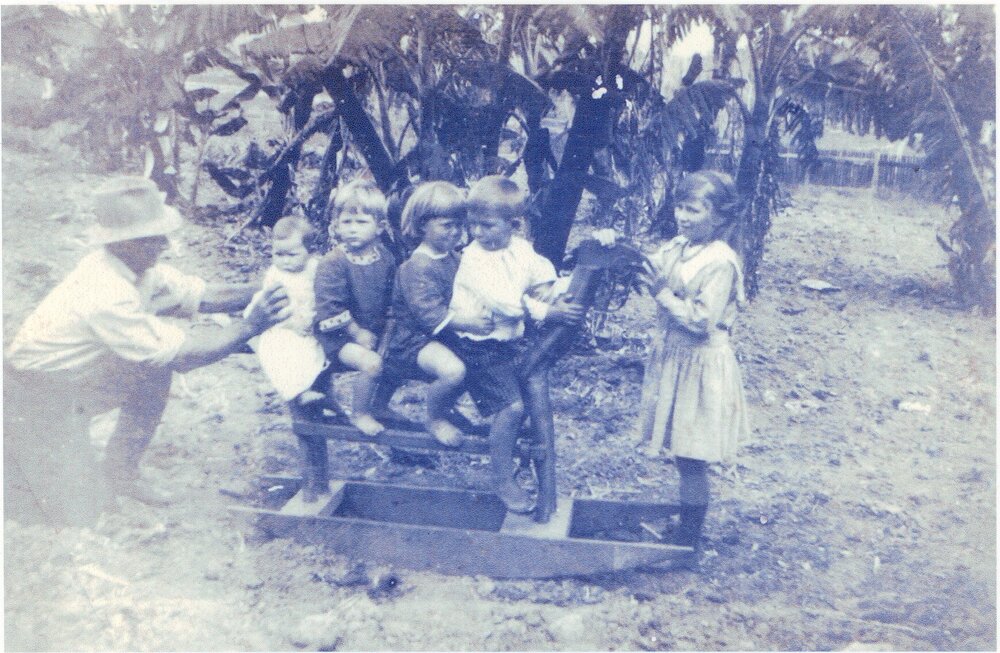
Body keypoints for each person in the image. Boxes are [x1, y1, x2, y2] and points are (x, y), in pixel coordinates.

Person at [4, 176, 290, 524]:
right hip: (33, 395)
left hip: (75, 379)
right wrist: (251, 324)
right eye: (154, 238)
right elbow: (186, 355)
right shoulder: (105, 290)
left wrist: (279, 286)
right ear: (126, 243)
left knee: (152, 369)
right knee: (72, 513)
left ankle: (121, 470)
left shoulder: (136, 267)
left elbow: (203, 295)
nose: (165, 244)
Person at [447, 175, 583, 513]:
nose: (477, 233)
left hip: (507, 342)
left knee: (527, 396)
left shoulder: (521, 250)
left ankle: (510, 454)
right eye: (473, 224)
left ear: (515, 224)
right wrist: (548, 312)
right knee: (513, 407)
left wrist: (565, 292)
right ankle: (501, 477)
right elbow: (506, 304)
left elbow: (543, 279)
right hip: (476, 345)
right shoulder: (473, 259)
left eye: (488, 225)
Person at [634, 170, 750, 550]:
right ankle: (687, 528)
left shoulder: (720, 261)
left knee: (692, 455)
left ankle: (689, 538)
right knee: (683, 453)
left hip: (701, 365)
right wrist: (615, 249)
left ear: (718, 217)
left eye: (694, 210)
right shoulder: (681, 245)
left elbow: (701, 321)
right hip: (678, 360)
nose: (683, 216)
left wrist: (662, 294)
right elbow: (647, 265)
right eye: (680, 207)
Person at [383, 181, 494, 446]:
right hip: (412, 341)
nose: (455, 232)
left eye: (459, 225)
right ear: (422, 225)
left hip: (443, 335)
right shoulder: (416, 267)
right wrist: (469, 322)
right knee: (454, 370)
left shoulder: (453, 257)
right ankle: (434, 418)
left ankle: (450, 407)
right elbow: (429, 315)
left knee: (483, 356)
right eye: (447, 226)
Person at [313, 179, 397, 437]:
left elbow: (392, 299)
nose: (352, 229)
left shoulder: (385, 258)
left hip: (373, 331)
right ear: (336, 225)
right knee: (372, 364)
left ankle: (380, 404)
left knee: (401, 357)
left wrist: (387, 332)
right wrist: (357, 332)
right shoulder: (334, 262)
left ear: (379, 227)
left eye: (361, 223)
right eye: (346, 222)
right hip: (337, 336)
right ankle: (359, 412)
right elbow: (329, 305)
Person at [246, 215, 327, 411]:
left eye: (291, 255)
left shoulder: (316, 268)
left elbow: (323, 297)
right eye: (278, 254)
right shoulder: (276, 274)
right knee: (281, 349)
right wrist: (291, 323)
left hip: (310, 320)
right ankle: (297, 391)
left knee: (313, 351)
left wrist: (310, 321)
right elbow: (273, 304)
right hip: (284, 322)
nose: (284, 261)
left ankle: (313, 388)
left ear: (310, 251)